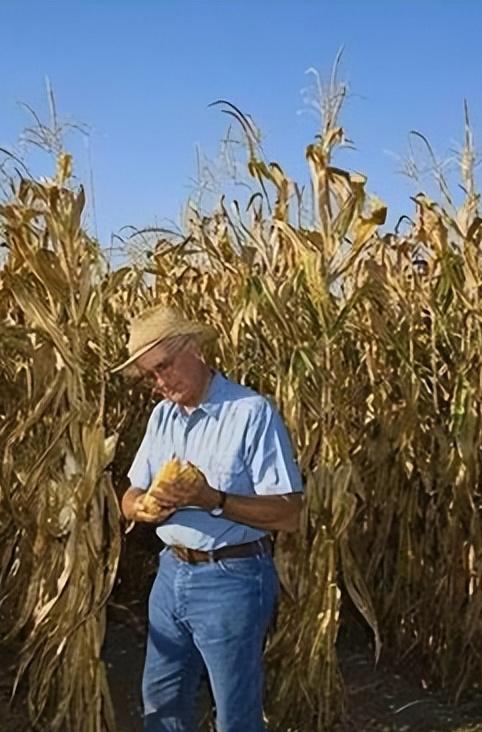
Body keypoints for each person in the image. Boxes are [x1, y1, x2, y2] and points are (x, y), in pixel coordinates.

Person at [114, 304, 303, 732]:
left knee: (234, 713)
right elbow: (129, 495)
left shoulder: (250, 412)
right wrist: (141, 507)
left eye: (165, 366)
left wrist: (211, 498)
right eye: (151, 376)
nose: (161, 383)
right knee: (161, 701)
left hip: (232, 578)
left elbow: (289, 513)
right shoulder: (162, 416)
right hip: (170, 574)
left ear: (195, 349)